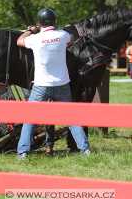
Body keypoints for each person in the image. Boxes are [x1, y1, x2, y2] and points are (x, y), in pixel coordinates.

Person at [16, 8, 90, 159]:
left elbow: (19, 41)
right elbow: (72, 36)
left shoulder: (35, 39)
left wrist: (30, 30)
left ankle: (22, 152)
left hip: (41, 86)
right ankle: (85, 150)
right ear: (55, 21)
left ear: (39, 23)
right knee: (72, 119)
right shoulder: (62, 36)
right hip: (62, 85)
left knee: (29, 118)